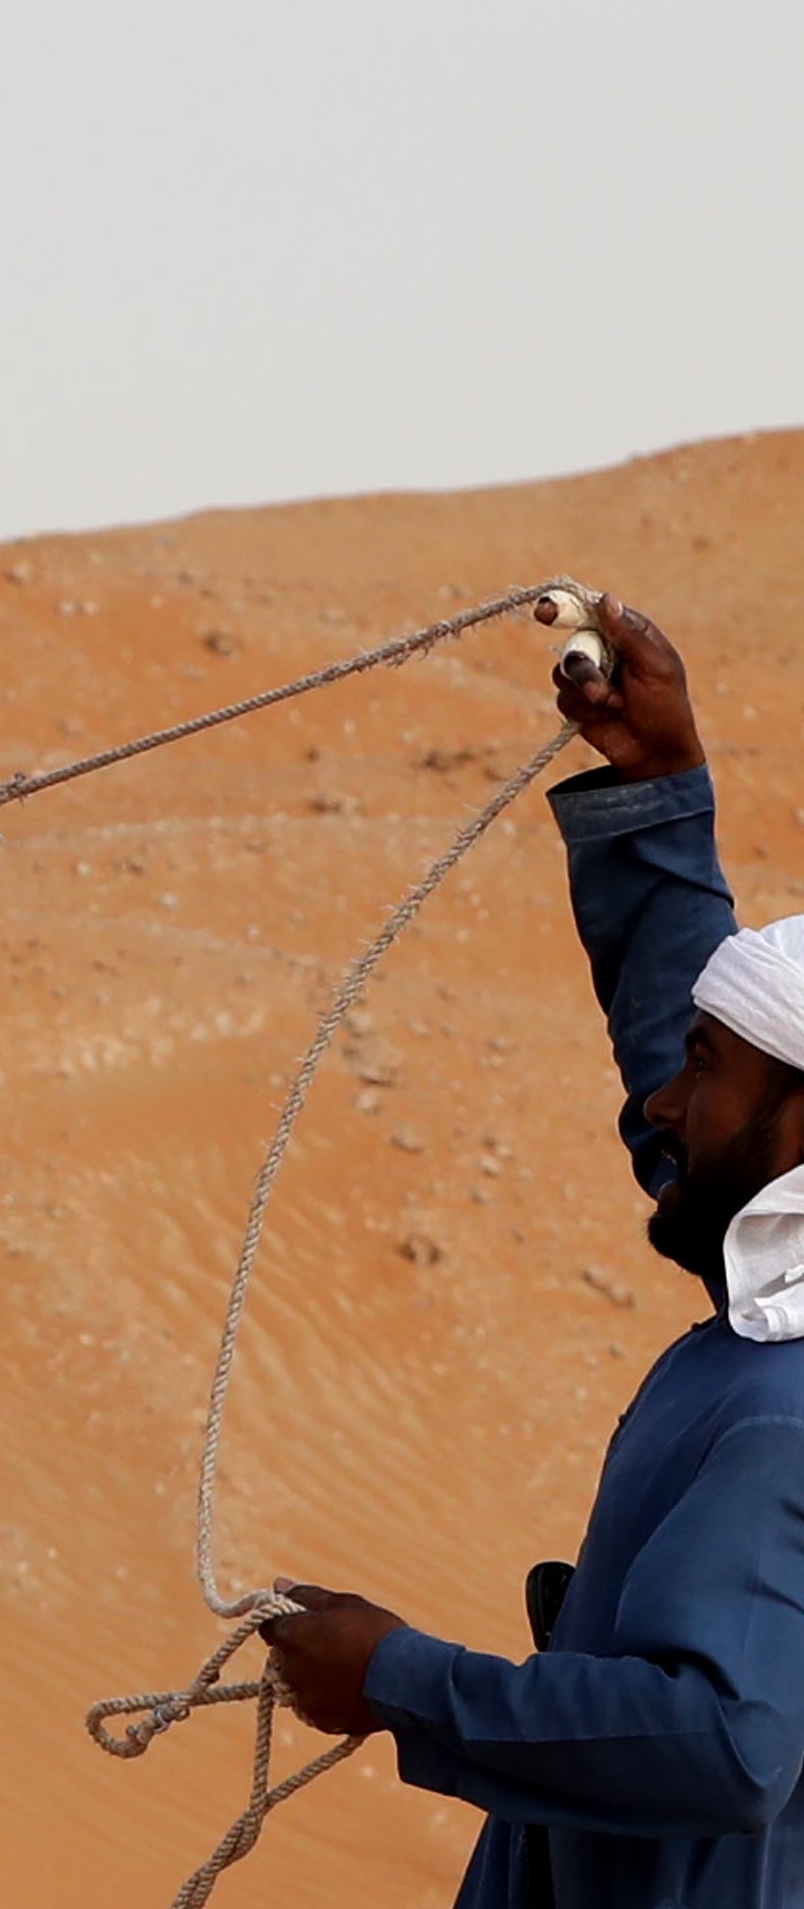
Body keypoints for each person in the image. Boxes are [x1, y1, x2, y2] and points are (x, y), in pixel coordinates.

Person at [260, 595, 804, 1906]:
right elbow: (712, 1086)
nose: (664, 1109)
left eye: (704, 1071)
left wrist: (397, 1680)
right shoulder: (770, 1308)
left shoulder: (783, 1414)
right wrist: (660, 792)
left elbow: (733, 1748)